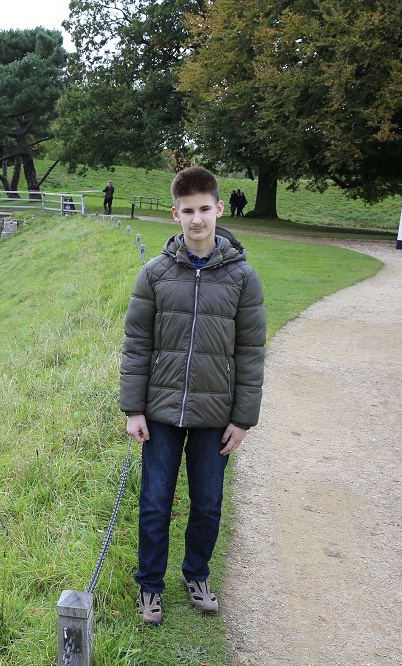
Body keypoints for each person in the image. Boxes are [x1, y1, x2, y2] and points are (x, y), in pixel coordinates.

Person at [120, 166, 266, 625]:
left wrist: (243, 419)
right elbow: (137, 344)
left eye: (205, 209)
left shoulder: (244, 279)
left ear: (219, 209)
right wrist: (133, 409)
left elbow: (250, 352)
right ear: (175, 214)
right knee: (154, 503)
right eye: (188, 211)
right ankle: (149, 585)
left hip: (214, 415)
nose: (197, 219)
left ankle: (197, 573)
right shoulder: (155, 274)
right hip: (160, 413)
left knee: (207, 503)